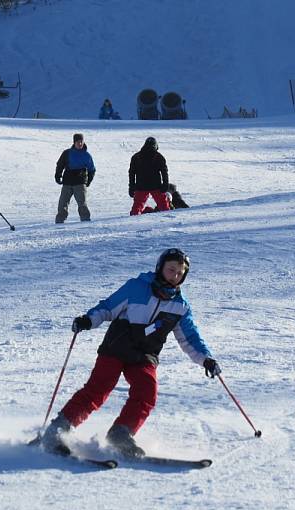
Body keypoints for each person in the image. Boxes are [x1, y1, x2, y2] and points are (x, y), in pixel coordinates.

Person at [41, 248, 222, 457]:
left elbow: (190, 337)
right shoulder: (136, 288)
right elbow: (108, 307)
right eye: (171, 270)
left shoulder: (180, 306)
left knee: (147, 392)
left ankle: (121, 434)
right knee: (98, 389)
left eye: (180, 273)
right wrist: (88, 320)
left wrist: (206, 359)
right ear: (160, 268)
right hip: (117, 347)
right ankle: (57, 431)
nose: (175, 276)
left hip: (145, 354)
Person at [54, 133, 95, 223]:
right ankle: (59, 220)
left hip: (80, 182)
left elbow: (92, 169)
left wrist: (88, 181)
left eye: (81, 142)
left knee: (82, 203)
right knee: (63, 203)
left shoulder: (86, 155)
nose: (80, 144)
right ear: (74, 142)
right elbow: (60, 165)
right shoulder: (67, 153)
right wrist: (58, 175)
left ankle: (85, 220)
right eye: (78, 142)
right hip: (67, 182)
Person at [129, 136, 171, 215]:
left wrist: (131, 186)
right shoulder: (159, 157)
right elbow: (164, 172)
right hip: (156, 186)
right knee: (164, 207)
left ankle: (133, 221)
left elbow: (131, 173)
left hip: (141, 186)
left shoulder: (136, 157)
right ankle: (168, 220)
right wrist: (165, 184)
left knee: (137, 207)